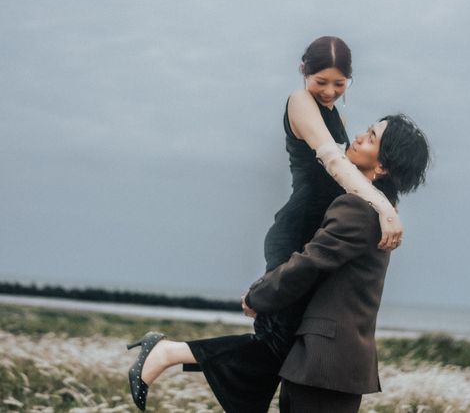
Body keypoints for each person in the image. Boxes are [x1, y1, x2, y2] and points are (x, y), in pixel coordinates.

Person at [127, 36, 403, 411]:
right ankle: (166, 352)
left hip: (316, 228)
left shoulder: (335, 115)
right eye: (321, 81)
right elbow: (336, 164)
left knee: (287, 346)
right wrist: (384, 207)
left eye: (340, 83)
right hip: (297, 227)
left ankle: (170, 352)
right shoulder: (300, 101)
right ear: (303, 70)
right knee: (277, 343)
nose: (329, 91)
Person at [243, 114, 430, 412]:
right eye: (366, 131)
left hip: (324, 363)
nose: (358, 137)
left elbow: (310, 263)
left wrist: (258, 296)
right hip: (331, 366)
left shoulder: (357, 208)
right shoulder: (379, 211)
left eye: (370, 138)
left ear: (382, 166)